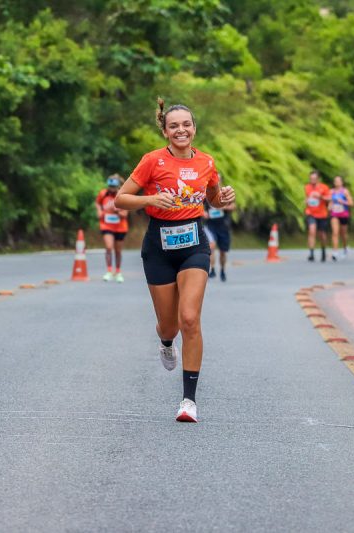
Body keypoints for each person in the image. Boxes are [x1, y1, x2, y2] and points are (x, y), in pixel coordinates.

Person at [115, 98, 235, 423]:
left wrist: (223, 198)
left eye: (186, 124)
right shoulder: (152, 161)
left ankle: (188, 401)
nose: (181, 130)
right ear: (165, 131)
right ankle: (166, 341)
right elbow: (120, 200)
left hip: (194, 243)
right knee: (169, 325)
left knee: (190, 319)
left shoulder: (207, 162)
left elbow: (212, 199)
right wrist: (152, 199)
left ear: (194, 128)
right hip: (159, 246)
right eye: (174, 126)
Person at [96, 174, 129, 282]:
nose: (111, 189)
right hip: (106, 225)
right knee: (109, 247)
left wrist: (117, 211)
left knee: (118, 251)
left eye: (113, 187)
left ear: (117, 186)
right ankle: (109, 271)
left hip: (120, 227)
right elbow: (98, 203)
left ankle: (118, 272)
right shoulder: (103, 194)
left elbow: (125, 214)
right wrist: (99, 211)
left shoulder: (123, 196)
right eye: (110, 187)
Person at [203, 178, 235, 281]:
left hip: (223, 226)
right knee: (211, 247)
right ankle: (212, 269)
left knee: (222, 252)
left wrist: (222, 207)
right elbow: (200, 206)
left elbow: (233, 206)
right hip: (210, 225)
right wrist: (204, 213)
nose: (216, 182)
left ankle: (222, 270)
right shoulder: (206, 193)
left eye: (218, 180)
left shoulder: (225, 192)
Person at [304, 170, 331, 262]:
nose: (312, 180)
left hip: (322, 214)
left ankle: (323, 250)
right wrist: (306, 200)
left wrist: (320, 197)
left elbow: (329, 198)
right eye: (311, 178)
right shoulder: (307, 187)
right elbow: (307, 197)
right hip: (310, 213)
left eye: (314, 178)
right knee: (312, 231)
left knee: (322, 234)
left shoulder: (324, 187)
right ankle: (311, 254)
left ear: (318, 179)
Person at [329, 175, 354, 261]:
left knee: (343, 234)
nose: (337, 182)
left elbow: (351, 203)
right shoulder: (331, 191)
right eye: (335, 181)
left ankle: (345, 247)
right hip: (334, 214)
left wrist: (343, 202)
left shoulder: (345, 191)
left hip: (344, 214)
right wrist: (329, 206)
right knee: (335, 232)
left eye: (338, 181)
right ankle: (335, 252)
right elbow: (330, 202)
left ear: (342, 182)